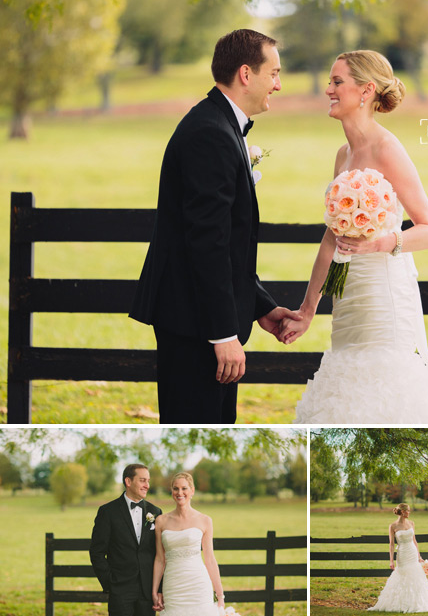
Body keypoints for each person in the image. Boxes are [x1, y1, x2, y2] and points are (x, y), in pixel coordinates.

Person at [280, 50, 428, 424]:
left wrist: (382, 242)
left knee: (385, 385)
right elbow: (330, 241)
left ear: (365, 91)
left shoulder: (387, 149)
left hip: (383, 294)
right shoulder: (343, 155)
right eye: (330, 81)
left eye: (337, 82)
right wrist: (307, 310)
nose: (328, 89)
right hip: (347, 298)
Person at [129, 29, 301, 424]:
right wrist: (223, 335)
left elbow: (226, 244)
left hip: (200, 320)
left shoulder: (219, 124)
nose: (278, 83)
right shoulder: (210, 133)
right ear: (246, 73)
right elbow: (206, 244)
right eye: (273, 73)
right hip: (195, 327)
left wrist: (261, 307)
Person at [150, 472, 235, 616]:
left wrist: (220, 596)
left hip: (198, 584)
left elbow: (210, 559)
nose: (179, 493)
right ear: (171, 491)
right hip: (173, 586)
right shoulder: (161, 521)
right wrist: (155, 590)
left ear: (192, 490)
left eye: (184, 488)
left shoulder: (204, 520)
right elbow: (160, 559)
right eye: (175, 489)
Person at [90, 464, 163, 616]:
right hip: (120, 587)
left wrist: (158, 589)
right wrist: (110, 582)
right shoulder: (107, 512)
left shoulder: (156, 512)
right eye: (142, 480)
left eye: (148, 481)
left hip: (147, 589)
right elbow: (97, 552)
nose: (147, 485)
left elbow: (161, 554)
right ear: (128, 481)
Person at [368, 503, 428, 613]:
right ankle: (399, 602)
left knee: (416, 574)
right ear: (402, 512)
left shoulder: (411, 523)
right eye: (408, 511)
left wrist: (419, 556)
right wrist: (391, 560)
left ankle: (417, 602)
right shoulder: (393, 526)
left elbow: (414, 541)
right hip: (402, 553)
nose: (409, 513)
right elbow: (391, 544)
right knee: (402, 575)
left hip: (412, 551)